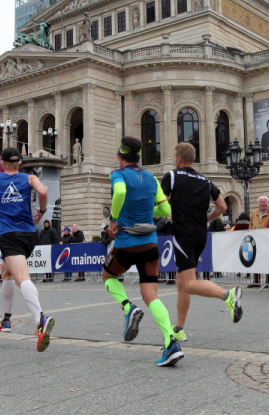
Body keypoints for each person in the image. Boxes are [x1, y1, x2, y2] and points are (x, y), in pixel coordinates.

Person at [102, 136, 182, 366]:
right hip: (150, 244)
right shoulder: (151, 177)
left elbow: (119, 193)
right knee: (152, 296)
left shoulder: (118, 175)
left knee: (108, 276)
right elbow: (165, 209)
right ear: (139, 157)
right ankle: (170, 343)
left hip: (127, 243)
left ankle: (129, 307)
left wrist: (114, 219)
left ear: (120, 156)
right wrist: (148, 211)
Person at [0, 147, 55, 352]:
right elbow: (43, 192)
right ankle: (6, 319)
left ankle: (40, 319)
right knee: (6, 271)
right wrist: (42, 211)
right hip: (28, 234)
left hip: (9, 235)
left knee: (22, 277)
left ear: (2, 163)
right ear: (19, 163)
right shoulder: (29, 178)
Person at [161, 142, 242, 343]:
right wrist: (206, 218)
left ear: (179, 159)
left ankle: (228, 295)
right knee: (181, 281)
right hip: (200, 235)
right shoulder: (205, 180)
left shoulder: (171, 176)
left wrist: (167, 214)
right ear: (193, 159)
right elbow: (222, 206)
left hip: (183, 234)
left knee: (189, 284)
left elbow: (162, 203)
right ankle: (179, 328)